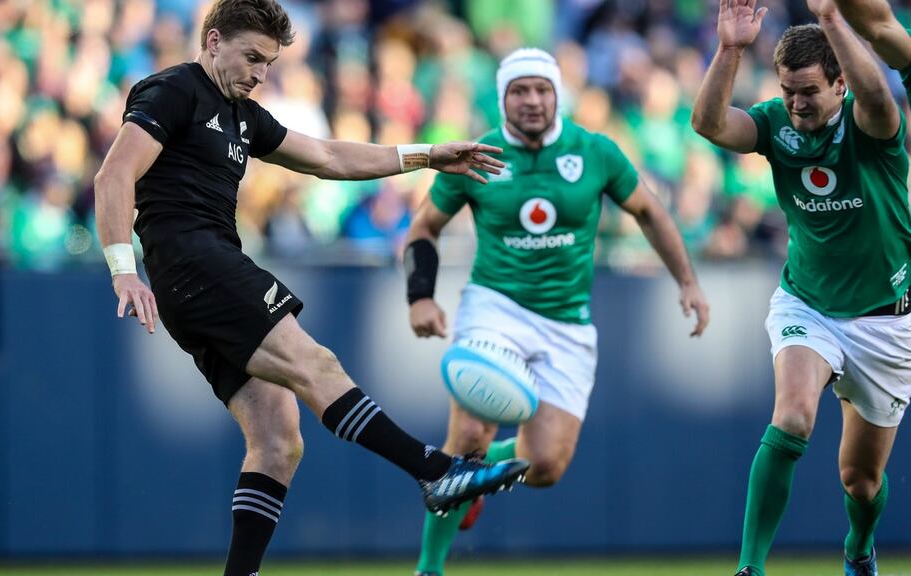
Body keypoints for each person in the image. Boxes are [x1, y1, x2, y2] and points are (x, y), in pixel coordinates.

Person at [92, 1, 530, 575]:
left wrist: (426, 155)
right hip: (195, 262)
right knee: (316, 364)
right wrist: (124, 267)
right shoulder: (174, 90)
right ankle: (435, 471)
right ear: (214, 40)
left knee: (278, 438)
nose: (258, 73)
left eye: (268, 64)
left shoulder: (242, 114)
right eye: (251, 57)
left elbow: (328, 157)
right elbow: (114, 174)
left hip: (199, 277)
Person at [404, 47, 710, 576]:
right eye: (519, 90)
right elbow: (422, 227)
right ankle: (429, 567)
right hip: (493, 307)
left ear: (557, 94)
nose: (532, 100)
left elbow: (648, 211)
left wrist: (687, 281)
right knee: (468, 436)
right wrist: (421, 296)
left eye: (541, 89)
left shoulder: (595, 151)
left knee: (544, 466)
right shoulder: (477, 155)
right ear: (502, 97)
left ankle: (477, 474)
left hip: (566, 324)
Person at [691, 0, 911, 574]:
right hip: (807, 303)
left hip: (886, 319)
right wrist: (730, 49)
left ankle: (858, 549)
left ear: (840, 83)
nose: (796, 103)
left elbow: (882, 100)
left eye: (808, 90)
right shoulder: (775, 124)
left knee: (860, 482)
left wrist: (835, 19)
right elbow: (710, 124)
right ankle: (750, 567)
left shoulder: (872, 125)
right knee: (791, 417)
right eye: (788, 89)